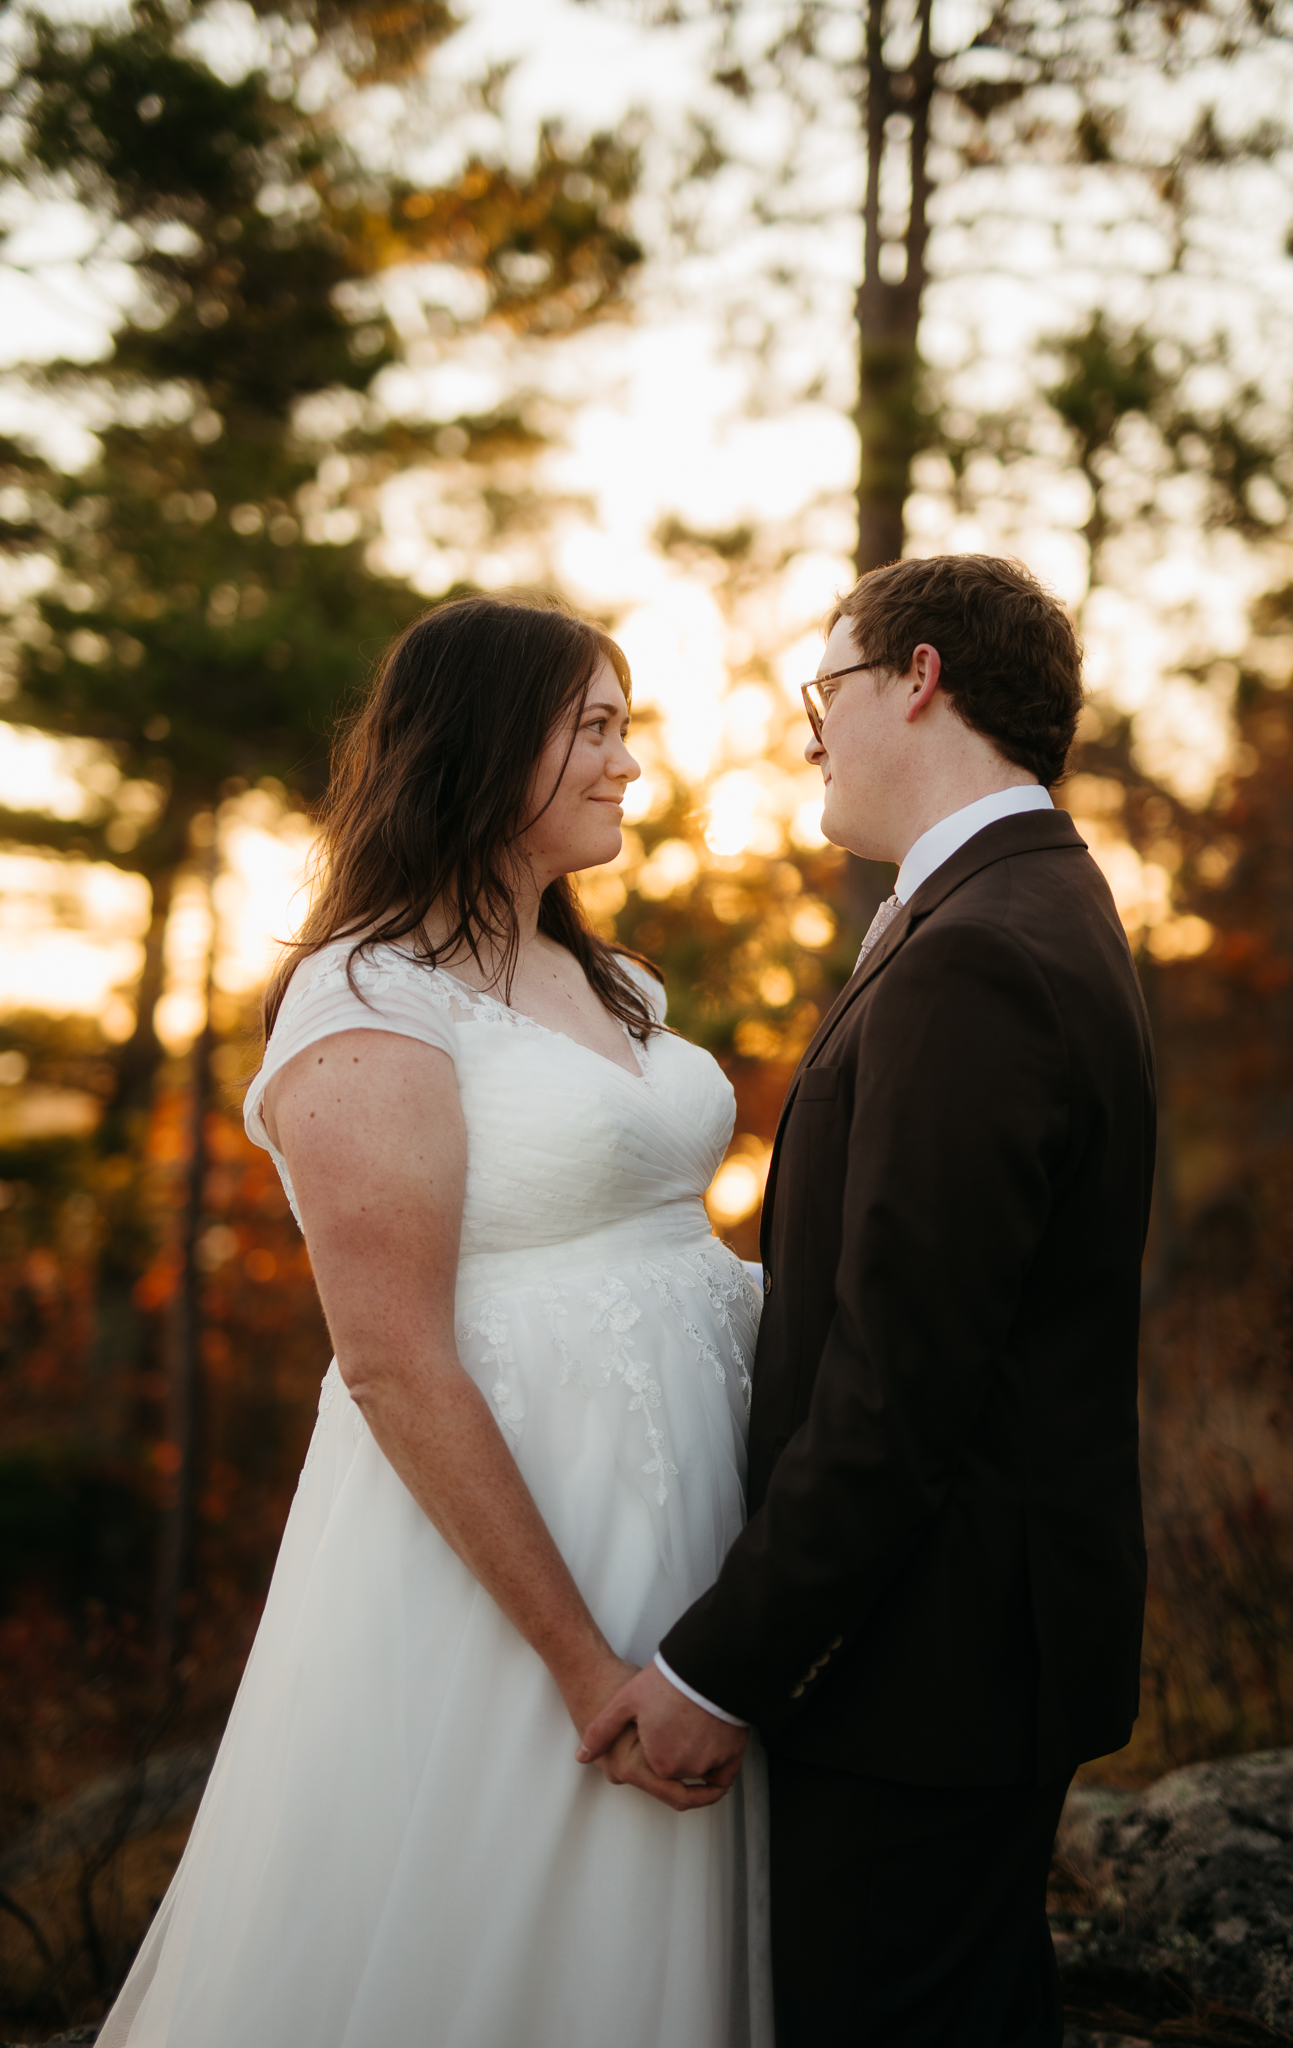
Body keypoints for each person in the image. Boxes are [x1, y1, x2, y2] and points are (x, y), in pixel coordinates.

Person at [97, 596, 772, 2048]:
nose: (623, 767)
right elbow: (393, 1359)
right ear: (483, 741)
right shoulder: (366, 1000)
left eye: (623, 729)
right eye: (592, 729)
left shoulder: (614, 982)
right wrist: (587, 1663)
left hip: (688, 1515)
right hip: (522, 1557)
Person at [582, 554, 1156, 2046]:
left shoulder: (979, 952)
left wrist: (723, 1664)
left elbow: (903, 1384)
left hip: (927, 1670)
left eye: (822, 688)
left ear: (917, 676)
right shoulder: (1017, 900)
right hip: (964, 1652)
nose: (809, 728)